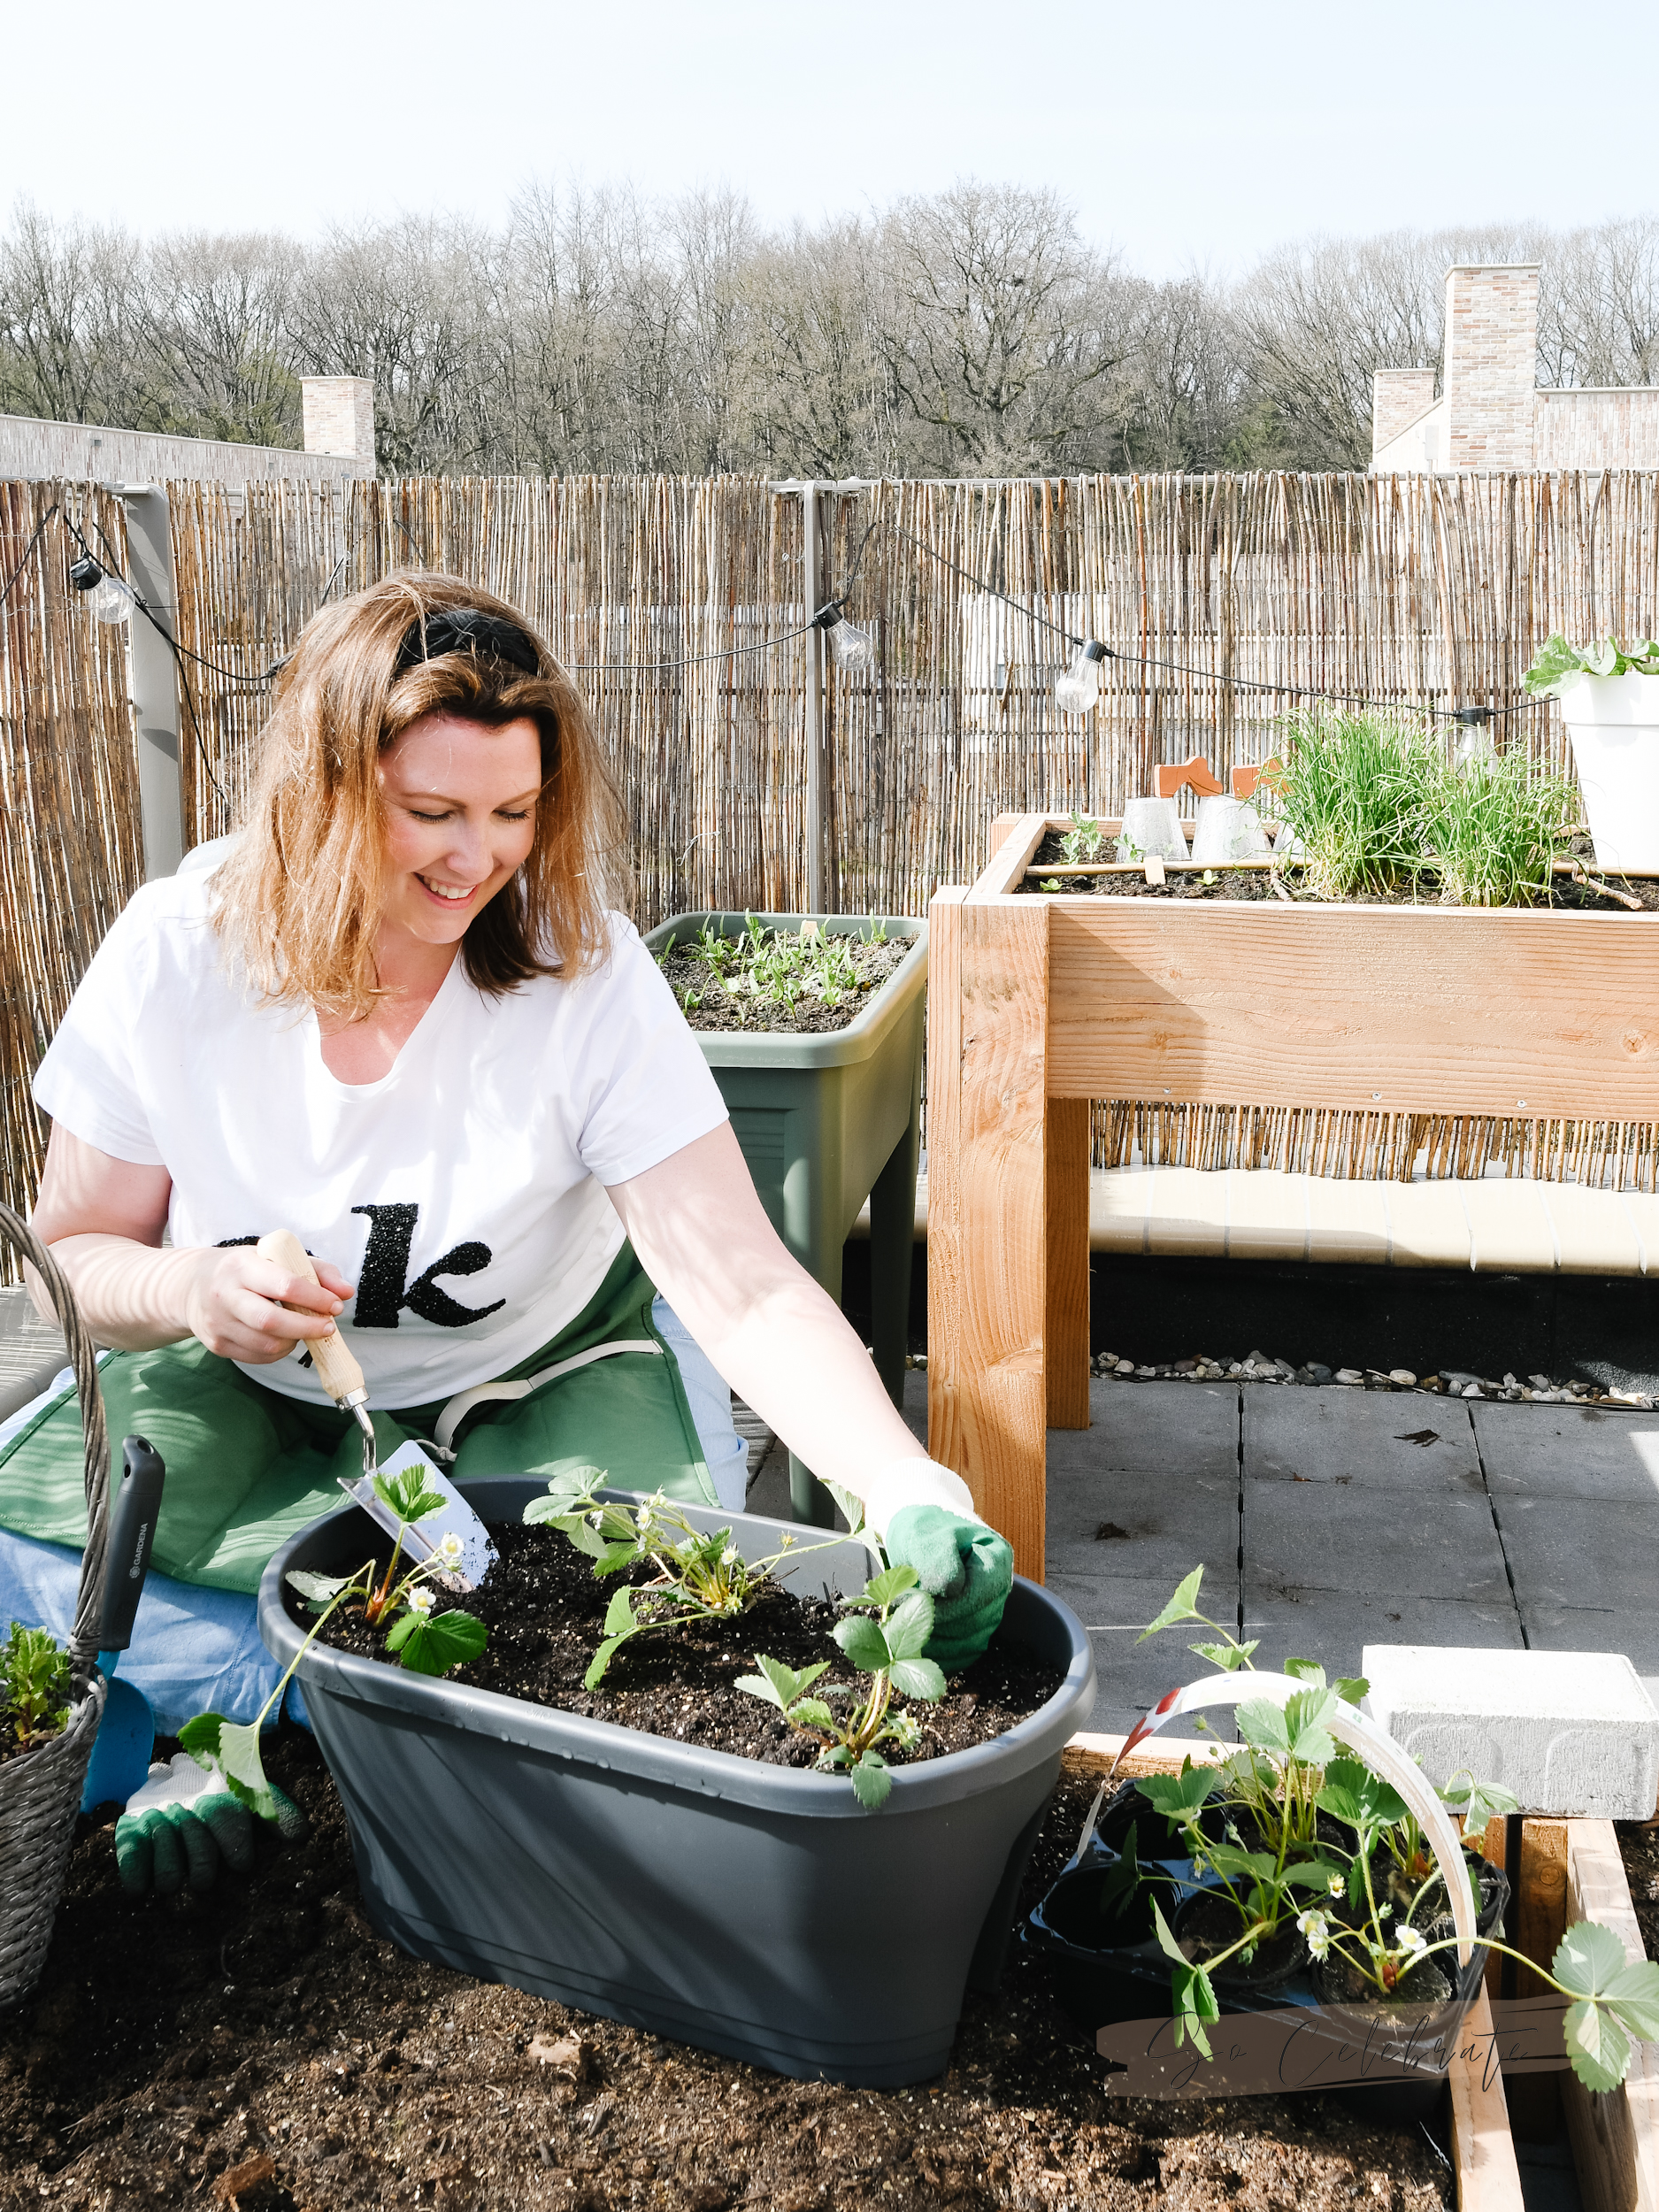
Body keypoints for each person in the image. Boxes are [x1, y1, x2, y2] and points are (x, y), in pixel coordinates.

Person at [0, 572, 1010, 1778]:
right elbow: (70, 1262)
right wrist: (190, 1293)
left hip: (541, 1372)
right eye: (431, 812)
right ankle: (233, 1745)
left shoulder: (582, 977)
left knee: (629, 1627)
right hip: (248, 1386)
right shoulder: (178, 954)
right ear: (321, 788)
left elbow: (742, 1288)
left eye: (516, 813)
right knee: (34, 1564)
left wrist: (901, 1484)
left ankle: (250, 1729)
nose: (477, 861)